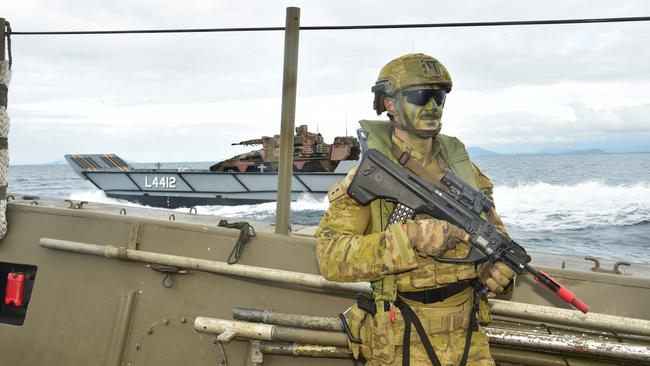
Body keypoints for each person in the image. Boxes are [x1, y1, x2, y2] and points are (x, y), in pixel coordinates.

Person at [315, 53, 515, 366]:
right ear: (390, 103)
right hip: (401, 336)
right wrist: (410, 239)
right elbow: (331, 258)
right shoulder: (373, 174)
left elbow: (496, 238)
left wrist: (497, 272)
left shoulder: (466, 172)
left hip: (468, 338)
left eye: (439, 97)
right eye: (421, 96)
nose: (432, 107)